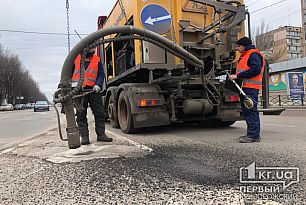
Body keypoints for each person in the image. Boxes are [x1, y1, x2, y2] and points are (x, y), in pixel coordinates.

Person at [72, 49, 113, 145]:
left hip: (93, 90)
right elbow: (69, 74)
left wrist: (98, 84)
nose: (92, 49)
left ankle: (101, 134)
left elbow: (101, 74)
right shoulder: (75, 58)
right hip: (79, 91)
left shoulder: (96, 59)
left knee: (99, 112)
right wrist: (72, 87)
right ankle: (84, 137)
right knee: (81, 114)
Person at [230, 37, 264, 143]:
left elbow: (255, 70)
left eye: (239, 46)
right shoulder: (246, 55)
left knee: (250, 111)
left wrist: (237, 76)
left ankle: (253, 135)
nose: (237, 48)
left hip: (250, 88)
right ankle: (252, 134)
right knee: (248, 111)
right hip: (246, 87)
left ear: (244, 46)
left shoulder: (253, 55)